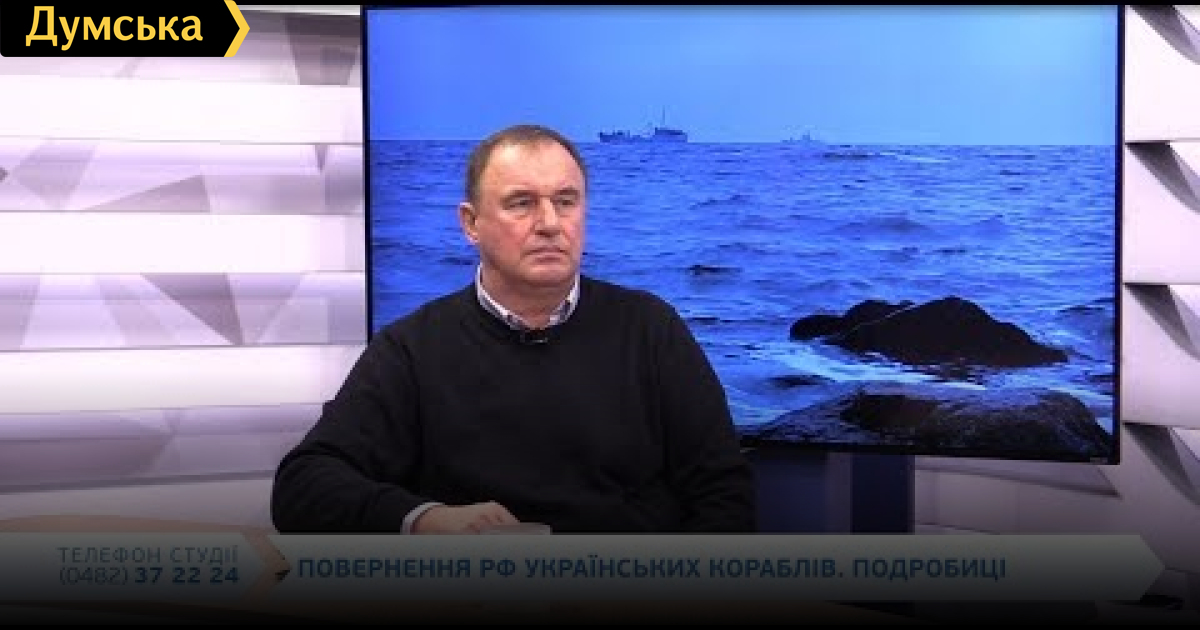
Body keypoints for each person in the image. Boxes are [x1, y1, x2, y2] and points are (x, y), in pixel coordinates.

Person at [270, 123, 756, 534]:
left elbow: (723, 493)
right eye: (521, 203)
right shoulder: (413, 348)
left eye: (566, 201)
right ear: (471, 223)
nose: (550, 223)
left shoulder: (650, 329)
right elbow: (304, 486)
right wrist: (424, 520)